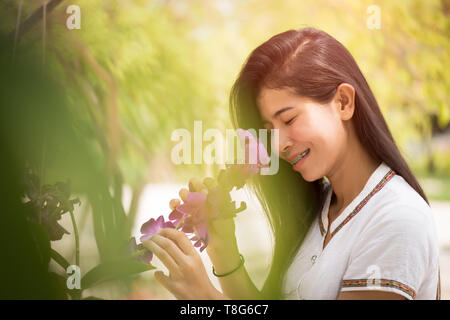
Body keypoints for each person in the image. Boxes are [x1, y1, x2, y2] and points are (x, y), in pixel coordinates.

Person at [142, 27, 440, 300]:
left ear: (344, 103)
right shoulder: (322, 206)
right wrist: (224, 250)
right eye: (268, 129)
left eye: (289, 119)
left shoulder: (395, 219)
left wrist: (205, 299)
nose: (277, 144)